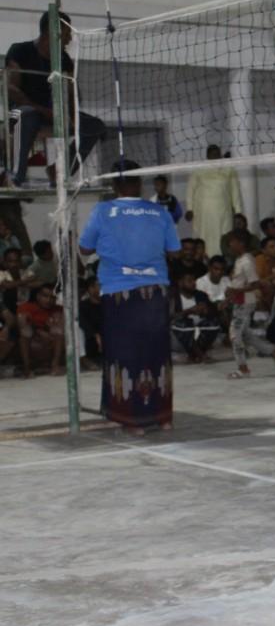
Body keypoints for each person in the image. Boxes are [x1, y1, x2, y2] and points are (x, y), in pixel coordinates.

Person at [78, 159, 179, 432]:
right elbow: (174, 250)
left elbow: (85, 248)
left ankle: (132, 419)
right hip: (155, 291)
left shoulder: (103, 211)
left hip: (120, 292)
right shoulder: (160, 212)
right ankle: (163, 417)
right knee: (157, 352)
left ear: (114, 184)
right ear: (140, 182)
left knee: (124, 353)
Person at [6, 11, 106, 186]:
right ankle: (15, 176)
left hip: (52, 114)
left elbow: (72, 93)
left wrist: (72, 116)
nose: (69, 39)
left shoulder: (63, 59)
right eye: (67, 34)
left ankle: (59, 170)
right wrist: (44, 111)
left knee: (94, 126)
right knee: (27, 114)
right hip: (20, 113)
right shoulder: (20, 51)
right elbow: (11, 89)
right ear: (51, 33)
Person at [224, 230, 275, 378]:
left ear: (241, 243)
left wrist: (235, 291)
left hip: (244, 302)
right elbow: (239, 282)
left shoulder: (247, 261)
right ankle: (273, 351)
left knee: (234, 335)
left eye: (232, 242)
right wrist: (229, 297)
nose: (230, 245)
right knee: (245, 334)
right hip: (239, 300)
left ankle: (243, 368)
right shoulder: (240, 259)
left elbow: (255, 284)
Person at [185, 145, 243, 256]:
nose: (215, 156)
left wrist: (238, 211)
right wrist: (189, 208)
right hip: (204, 211)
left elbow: (235, 191)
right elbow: (190, 190)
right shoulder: (199, 169)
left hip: (223, 210)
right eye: (212, 154)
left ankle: (222, 259)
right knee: (204, 234)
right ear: (207, 155)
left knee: (224, 235)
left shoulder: (229, 170)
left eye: (217, 154)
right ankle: (204, 258)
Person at [170, 272, 219, 363]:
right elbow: (169, 317)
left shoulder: (200, 295)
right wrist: (189, 311)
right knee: (184, 324)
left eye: (194, 280)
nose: (194, 283)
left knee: (213, 323)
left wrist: (207, 311)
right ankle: (200, 354)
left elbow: (214, 313)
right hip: (177, 339)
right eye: (189, 281)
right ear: (180, 283)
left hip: (196, 336)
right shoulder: (172, 296)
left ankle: (194, 354)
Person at [16, 286, 64, 378]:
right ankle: (27, 368)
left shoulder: (59, 309)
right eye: (45, 296)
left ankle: (55, 365)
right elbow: (22, 325)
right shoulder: (26, 307)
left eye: (52, 297)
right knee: (25, 331)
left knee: (58, 329)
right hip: (33, 340)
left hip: (52, 341)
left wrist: (51, 328)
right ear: (38, 296)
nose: (49, 300)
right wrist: (39, 331)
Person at [0, 246, 38, 313]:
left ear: (20, 261)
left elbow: (38, 283)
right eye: (10, 261)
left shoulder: (25, 272)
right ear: (5, 262)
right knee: (10, 291)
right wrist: (26, 281)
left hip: (27, 304)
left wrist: (15, 284)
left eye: (16, 261)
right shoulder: (2, 274)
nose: (14, 264)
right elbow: (7, 285)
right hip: (9, 307)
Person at [78, 277, 103, 362]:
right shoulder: (82, 306)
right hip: (90, 340)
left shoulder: (108, 305)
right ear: (91, 289)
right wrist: (96, 335)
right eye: (99, 286)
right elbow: (83, 323)